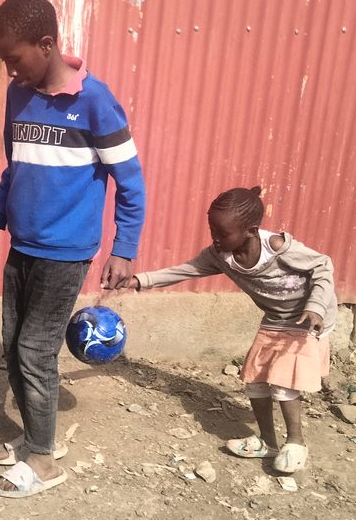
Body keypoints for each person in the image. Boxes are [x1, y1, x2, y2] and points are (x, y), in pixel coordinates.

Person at [0, 0, 146, 499]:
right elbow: (17, 167)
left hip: (66, 252)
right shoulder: (18, 96)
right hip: (23, 244)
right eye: (3, 61)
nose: (9, 71)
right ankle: (33, 438)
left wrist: (124, 247)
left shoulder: (95, 102)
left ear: (46, 45)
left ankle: (44, 462)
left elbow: (130, 181)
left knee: (35, 350)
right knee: (13, 343)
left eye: (14, 59)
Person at [123, 187, 336, 473]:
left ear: (251, 231)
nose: (215, 238)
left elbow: (323, 265)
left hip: (307, 318)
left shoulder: (277, 248)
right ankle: (268, 442)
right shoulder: (220, 255)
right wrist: (139, 281)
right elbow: (185, 270)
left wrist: (316, 307)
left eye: (223, 233)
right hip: (276, 318)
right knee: (255, 379)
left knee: (283, 382)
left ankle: (296, 443)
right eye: (213, 231)